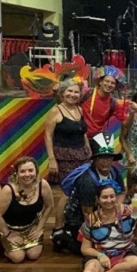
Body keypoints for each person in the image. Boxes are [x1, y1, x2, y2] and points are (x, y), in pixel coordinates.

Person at [53, 133, 126, 255]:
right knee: (93, 248)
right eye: (101, 158)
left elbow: (122, 192)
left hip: (103, 210)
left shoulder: (114, 172)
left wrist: (117, 208)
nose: (105, 162)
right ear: (95, 159)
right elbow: (87, 213)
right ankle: (64, 239)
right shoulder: (87, 181)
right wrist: (103, 230)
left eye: (109, 158)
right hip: (80, 218)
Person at [71, 181, 137, 272]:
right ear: (98, 199)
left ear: (116, 197)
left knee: (136, 262)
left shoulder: (129, 212)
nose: (109, 200)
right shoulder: (91, 219)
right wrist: (100, 255)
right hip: (99, 256)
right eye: (104, 197)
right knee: (91, 268)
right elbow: (85, 249)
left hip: (125, 254)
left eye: (112, 196)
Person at [45, 79, 90, 236]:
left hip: (82, 156)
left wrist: (88, 149)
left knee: (81, 190)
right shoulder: (56, 111)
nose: (72, 94)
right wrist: (51, 159)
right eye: (69, 91)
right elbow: (48, 136)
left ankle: (76, 223)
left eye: (76, 92)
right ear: (62, 93)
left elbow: (83, 132)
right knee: (67, 191)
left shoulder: (79, 110)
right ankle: (58, 228)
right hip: (64, 157)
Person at [0, 156, 53, 263]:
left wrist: (39, 228)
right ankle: (2, 246)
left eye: (30, 170)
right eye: (23, 171)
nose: (27, 174)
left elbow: (50, 206)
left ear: (36, 171)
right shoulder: (8, 190)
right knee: (18, 258)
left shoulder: (43, 185)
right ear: (16, 173)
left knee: (33, 255)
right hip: (10, 228)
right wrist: (8, 234)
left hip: (31, 227)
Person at [81, 66, 133, 138]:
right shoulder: (86, 94)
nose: (109, 84)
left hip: (99, 138)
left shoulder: (114, 103)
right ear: (100, 82)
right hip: (80, 136)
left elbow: (126, 125)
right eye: (107, 81)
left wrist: (132, 113)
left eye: (112, 83)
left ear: (115, 86)